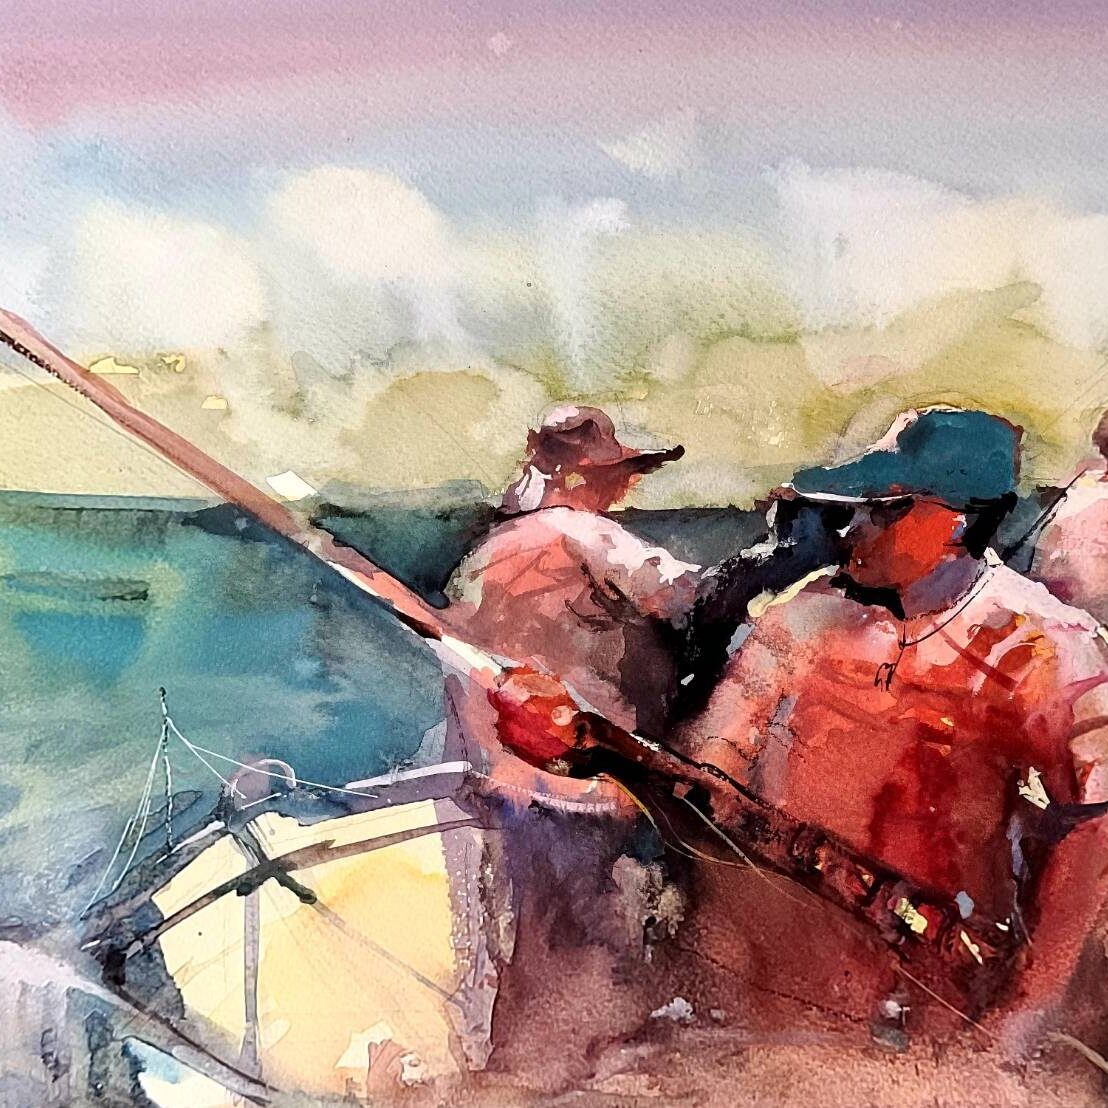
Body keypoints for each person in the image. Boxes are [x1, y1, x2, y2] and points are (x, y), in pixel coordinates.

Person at [674, 407, 1108, 1048]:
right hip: (782, 972)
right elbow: (717, 754)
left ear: (958, 520)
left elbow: (1091, 830)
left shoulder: (1044, 644)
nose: (853, 528)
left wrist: (1022, 1011)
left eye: (886, 510)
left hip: (942, 984)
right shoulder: (802, 617)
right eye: (854, 509)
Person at [446, 405, 699, 741]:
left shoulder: (493, 544)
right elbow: (681, 599)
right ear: (583, 477)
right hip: (568, 720)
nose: (625, 486)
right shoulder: (586, 534)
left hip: (489, 710)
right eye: (623, 474)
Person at [1030, 408, 1108, 624]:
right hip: (1054, 582)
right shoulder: (1086, 475)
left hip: (1085, 598)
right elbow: (1050, 527)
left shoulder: (1086, 477)